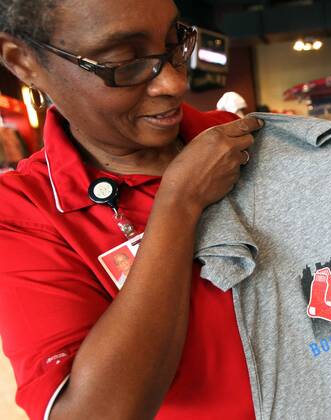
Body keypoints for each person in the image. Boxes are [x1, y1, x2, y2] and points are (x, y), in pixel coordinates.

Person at [0, 1, 262, 419]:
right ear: (24, 61)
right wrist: (179, 202)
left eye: (175, 44)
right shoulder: (26, 212)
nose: (175, 83)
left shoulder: (251, 146)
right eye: (125, 62)